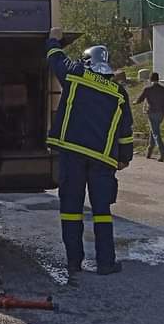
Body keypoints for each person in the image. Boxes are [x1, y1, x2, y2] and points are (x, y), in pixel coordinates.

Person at [45, 27, 135, 275]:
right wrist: (124, 158)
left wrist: (54, 39)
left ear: (87, 61)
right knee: (102, 213)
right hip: (102, 161)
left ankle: (74, 262)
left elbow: (55, 58)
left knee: (71, 211)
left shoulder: (75, 74)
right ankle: (106, 263)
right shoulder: (119, 93)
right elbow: (125, 130)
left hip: (72, 155)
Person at [135, 72, 164, 161]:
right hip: (161, 113)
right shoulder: (163, 89)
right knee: (154, 130)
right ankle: (149, 151)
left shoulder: (147, 89)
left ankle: (163, 153)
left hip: (151, 113)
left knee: (155, 133)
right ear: (158, 79)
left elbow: (140, 99)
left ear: (150, 79)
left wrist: (135, 102)